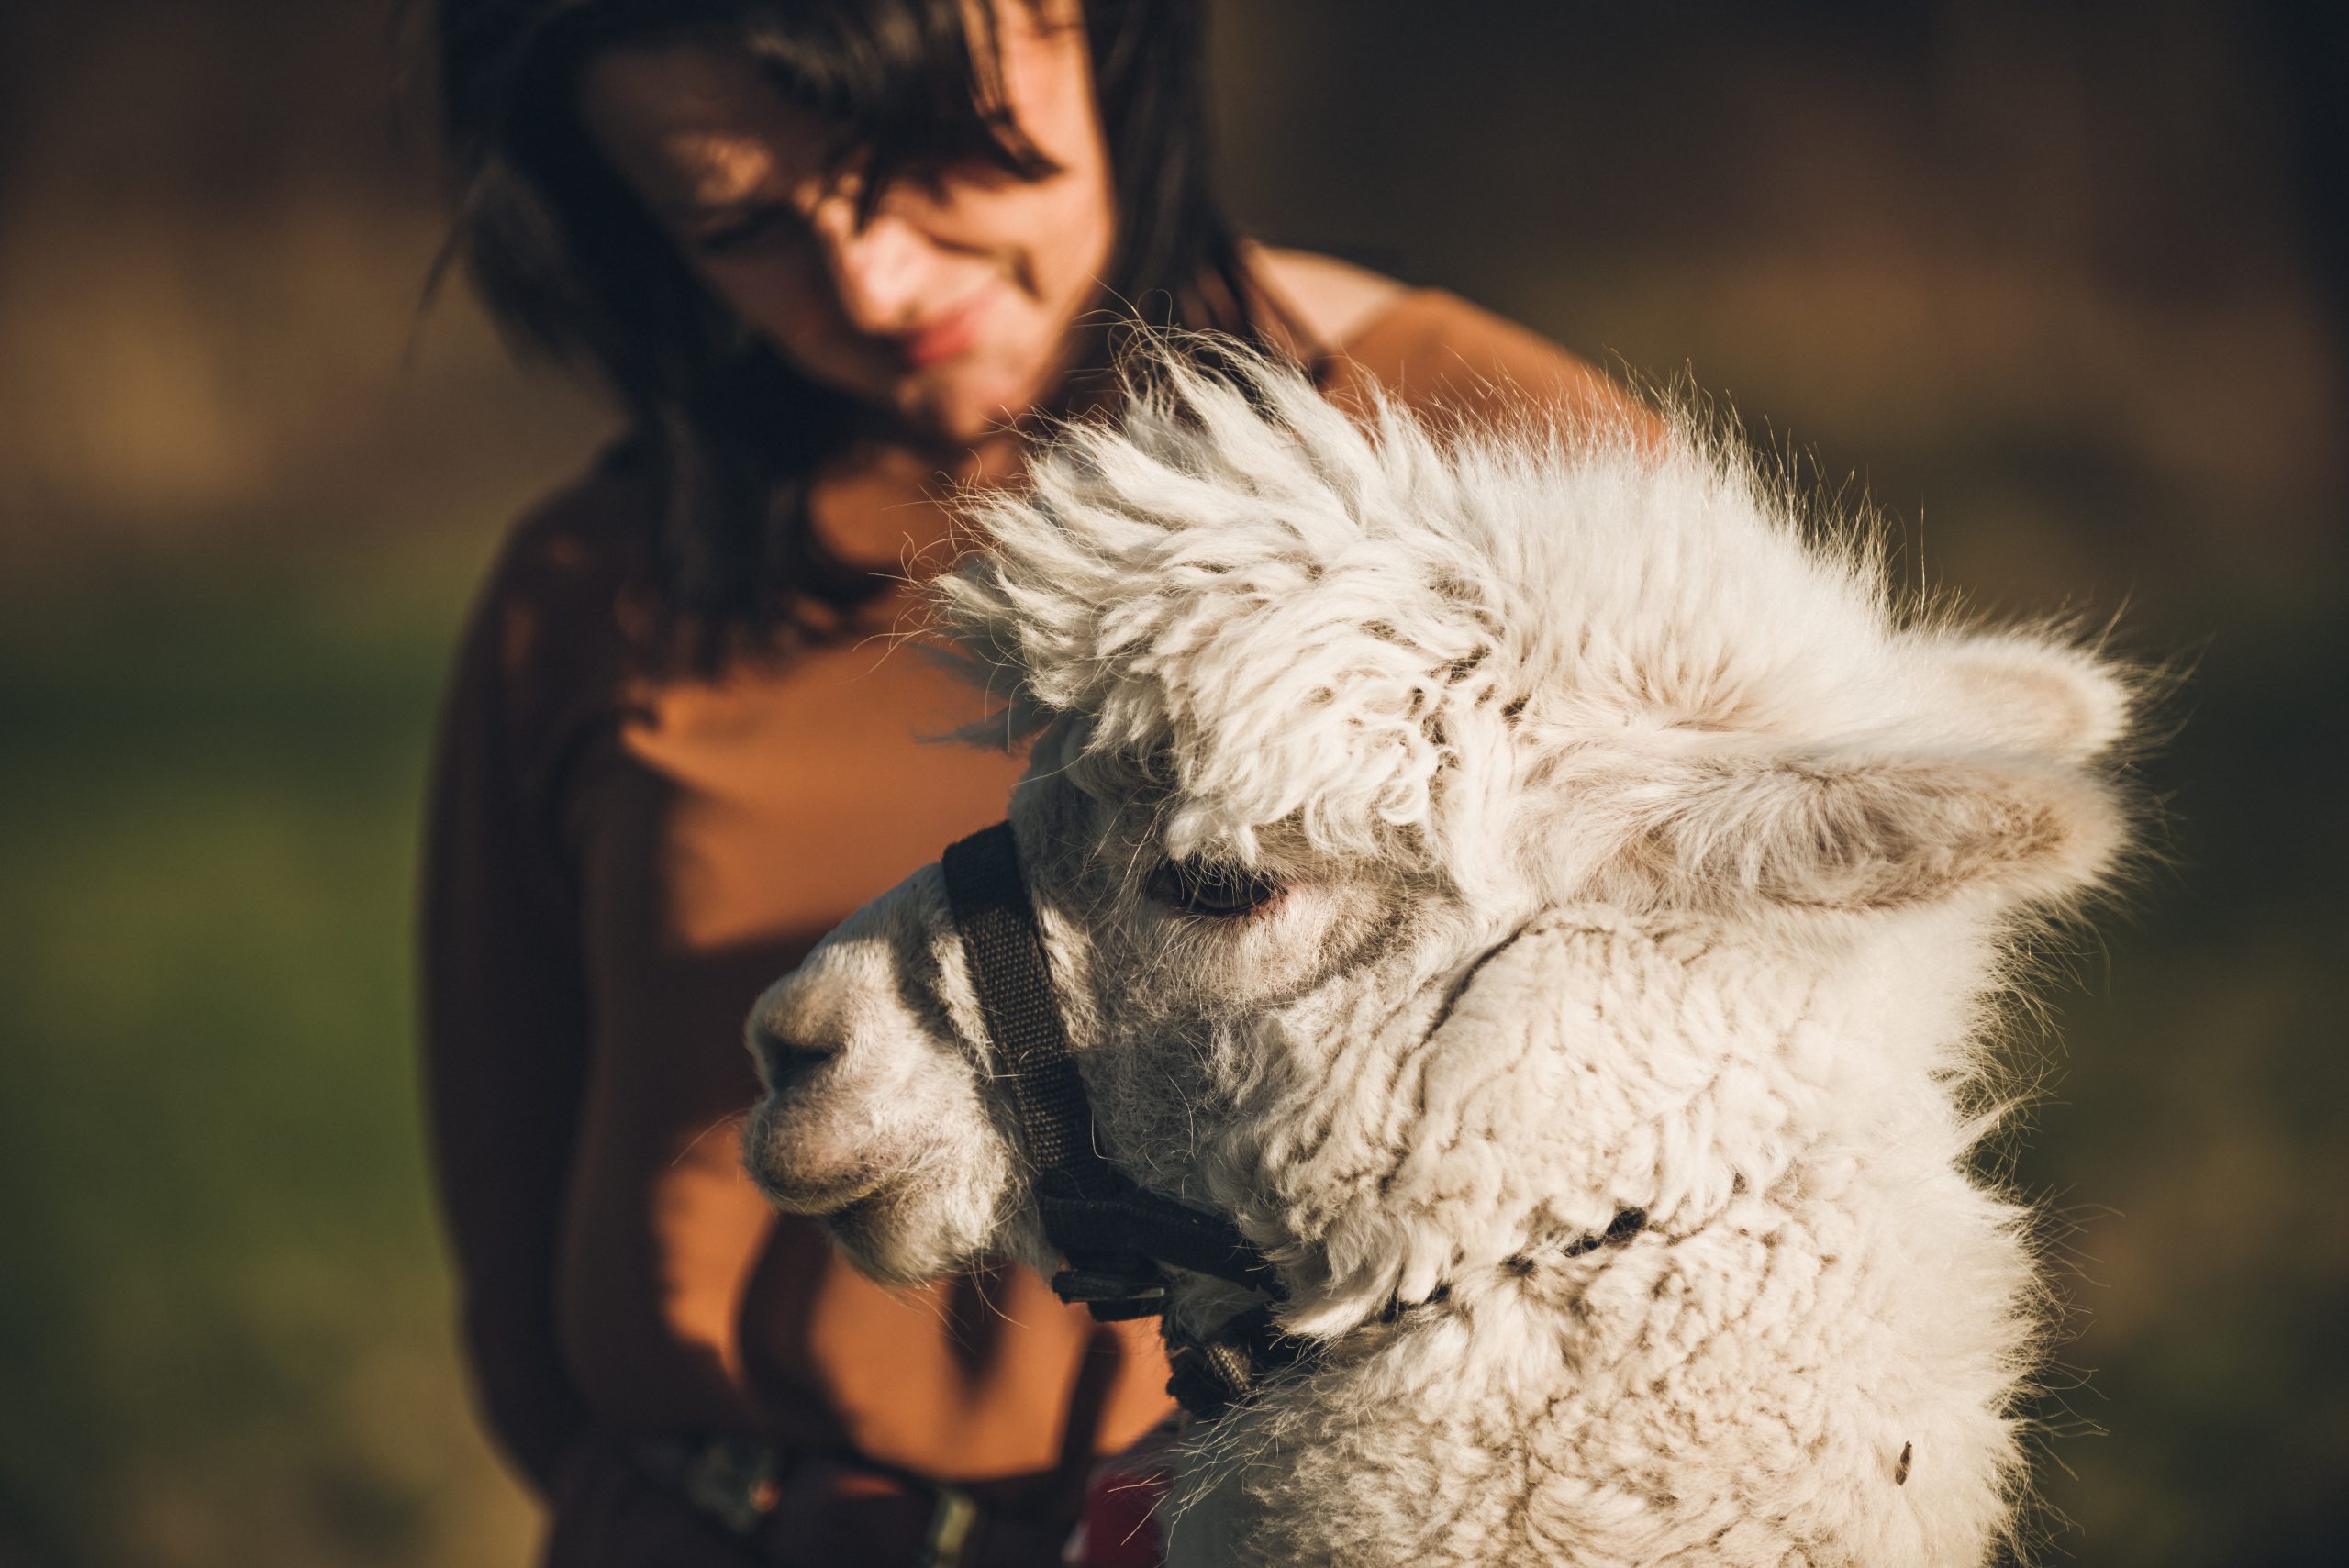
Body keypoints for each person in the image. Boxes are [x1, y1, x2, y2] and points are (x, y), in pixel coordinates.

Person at [417, 2, 1639, 1564]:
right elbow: (516, 1251)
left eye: (924, 154)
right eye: (736, 226)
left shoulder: (1512, 468)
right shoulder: (600, 585)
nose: (873, 279)